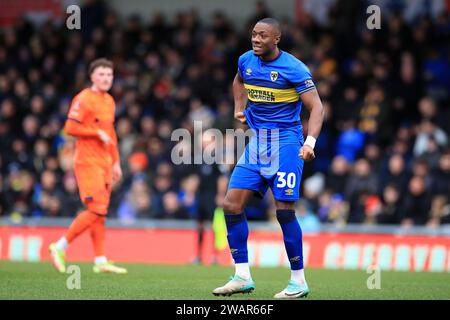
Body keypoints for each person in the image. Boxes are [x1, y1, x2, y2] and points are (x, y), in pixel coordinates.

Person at [212, 18, 324, 299]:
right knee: (231, 204)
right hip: (258, 142)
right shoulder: (245, 61)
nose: (256, 39)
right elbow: (239, 80)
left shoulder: (294, 68)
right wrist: (240, 108)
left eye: (263, 35)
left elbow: (317, 107)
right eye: (253, 34)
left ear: (277, 39)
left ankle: (298, 281)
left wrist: (309, 142)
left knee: (284, 210)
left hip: (287, 141)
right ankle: (242, 276)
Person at [48, 58, 127, 274]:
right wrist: (94, 132)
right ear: (92, 76)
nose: (105, 79)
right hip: (87, 162)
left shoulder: (109, 101)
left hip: (105, 163)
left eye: (109, 75)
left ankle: (100, 260)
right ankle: (59, 246)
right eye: (101, 74)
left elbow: (110, 134)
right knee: (96, 209)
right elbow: (69, 127)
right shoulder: (83, 98)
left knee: (100, 213)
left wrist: (117, 162)